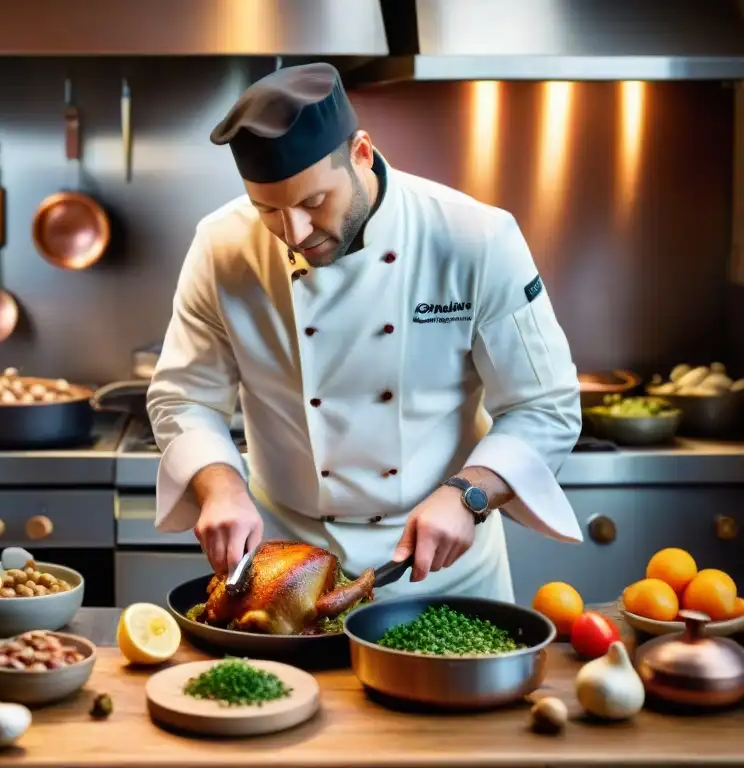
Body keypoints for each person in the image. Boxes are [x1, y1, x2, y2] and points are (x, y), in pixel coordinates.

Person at [147, 63, 582, 602]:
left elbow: (546, 405)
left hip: (441, 562)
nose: (294, 233)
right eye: (268, 211)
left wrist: (469, 494)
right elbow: (183, 396)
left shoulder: (474, 237)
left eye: (312, 202)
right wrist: (222, 485)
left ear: (361, 153)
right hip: (286, 565)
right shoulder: (222, 246)